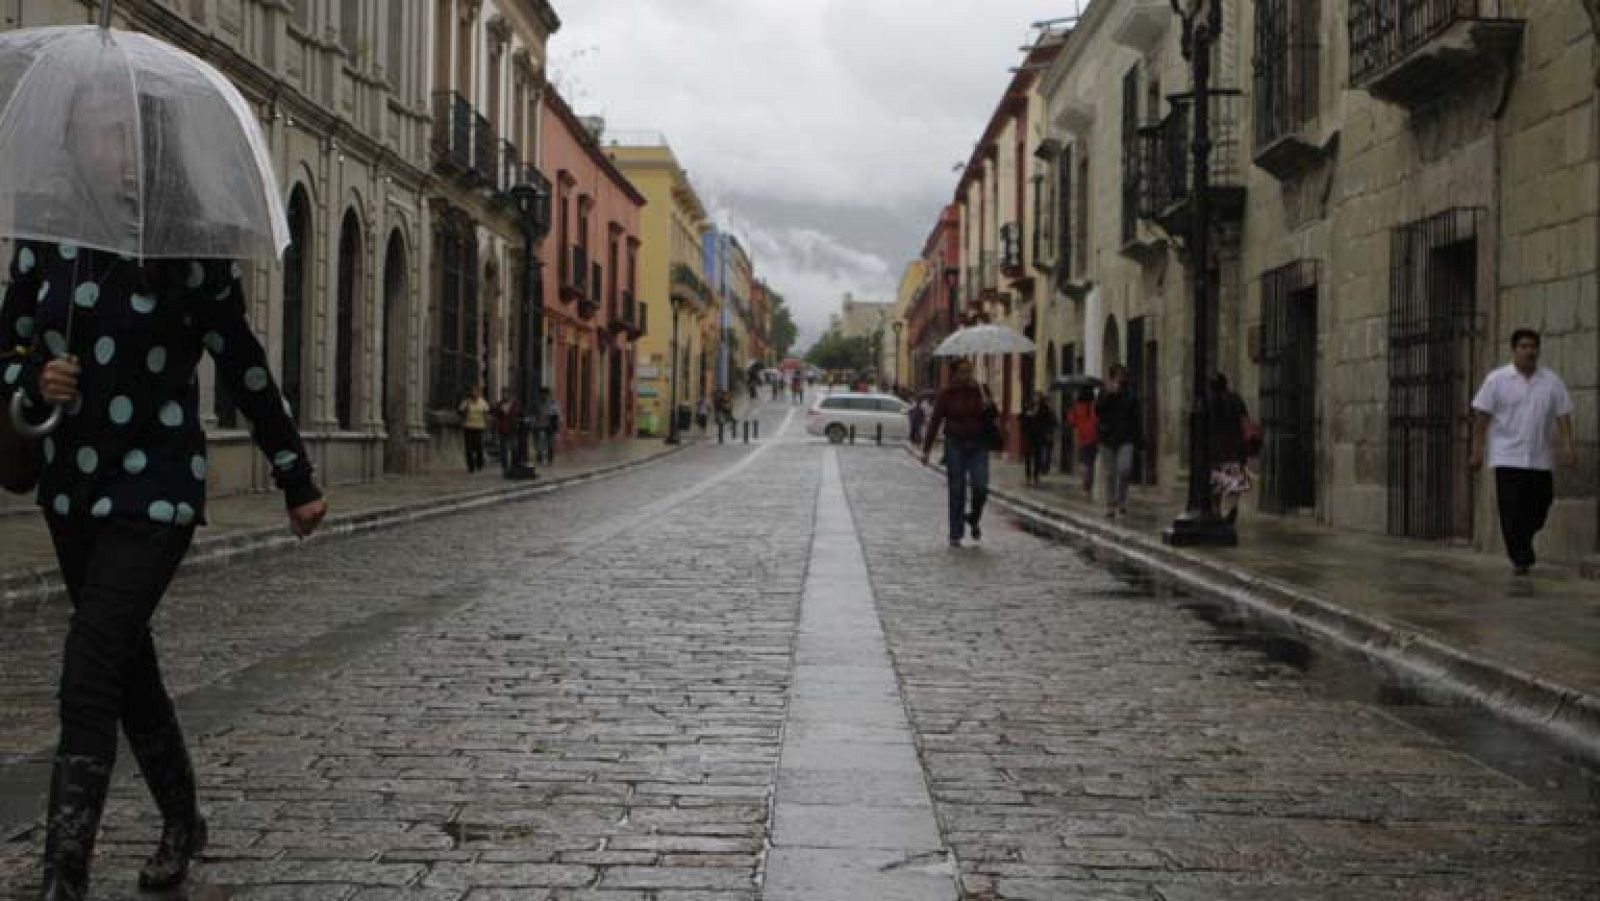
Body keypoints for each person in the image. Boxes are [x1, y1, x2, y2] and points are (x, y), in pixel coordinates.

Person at [1, 241, 328, 898]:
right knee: (126, 669)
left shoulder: (194, 255)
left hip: (157, 488)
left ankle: (62, 881)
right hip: (71, 493)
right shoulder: (47, 246)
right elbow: (6, 349)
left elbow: (244, 363)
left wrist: (295, 473)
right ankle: (183, 819)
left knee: (90, 669)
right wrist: (35, 377)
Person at [1470, 329, 1577, 574]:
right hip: (1507, 456)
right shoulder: (1496, 380)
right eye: (1524, 346)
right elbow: (1482, 416)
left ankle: (1524, 541)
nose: (1530, 351)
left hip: (1539, 457)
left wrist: (1568, 445)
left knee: (1542, 504)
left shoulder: (1551, 381)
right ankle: (1521, 557)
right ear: (1514, 350)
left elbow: (1562, 415)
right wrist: (1477, 450)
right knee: (1511, 511)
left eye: (1533, 347)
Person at [922, 360, 989, 548]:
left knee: (981, 486)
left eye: (969, 371)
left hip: (978, 444)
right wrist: (926, 449)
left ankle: (973, 518)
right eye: (963, 372)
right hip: (955, 444)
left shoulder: (980, 391)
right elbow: (935, 421)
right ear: (955, 374)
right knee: (957, 488)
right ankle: (955, 532)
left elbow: (992, 416)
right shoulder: (947, 394)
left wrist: (988, 402)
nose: (967, 375)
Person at [1095, 365, 1139, 519]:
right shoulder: (1104, 391)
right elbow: (1098, 410)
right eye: (1118, 375)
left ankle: (1122, 500)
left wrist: (1138, 438)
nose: (1121, 378)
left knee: (1125, 469)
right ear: (1112, 377)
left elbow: (1135, 414)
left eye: (1123, 375)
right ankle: (1110, 504)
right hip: (1107, 438)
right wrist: (1108, 394)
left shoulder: (1130, 393)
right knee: (1110, 473)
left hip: (1126, 437)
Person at [1207, 373, 1251, 523]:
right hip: (1234, 447)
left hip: (1216, 449)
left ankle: (1217, 511)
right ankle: (1231, 510)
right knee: (1233, 482)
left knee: (1216, 483)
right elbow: (1245, 422)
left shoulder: (1209, 401)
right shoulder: (1235, 399)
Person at [1021, 391, 1057, 485]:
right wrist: (1027, 415)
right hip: (1029, 435)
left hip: (1039, 435)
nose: (1035, 398)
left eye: (1037, 397)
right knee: (1028, 456)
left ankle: (1036, 476)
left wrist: (1048, 431)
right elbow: (1021, 419)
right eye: (1034, 397)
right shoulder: (1028, 407)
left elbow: (1052, 420)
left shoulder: (1045, 409)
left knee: (1037, 456)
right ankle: (1028, 476)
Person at [1067, 387, 1099, 495]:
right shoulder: (1094, 406)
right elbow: (1097, 419)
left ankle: (1085, 485)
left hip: (1081, 436)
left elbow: (1071, 420)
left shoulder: (1076, 406)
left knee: (1083, 461)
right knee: (1090, 462)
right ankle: (1089, 485)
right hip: (1094, 436)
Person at [458, 386, 489, 473]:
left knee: (479, 447)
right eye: (473, 392)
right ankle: (470, 466)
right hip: (468, 427)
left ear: (479, 393)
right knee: (469, 448)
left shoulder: (483, 402)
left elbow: (486, 412)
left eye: (476, 392)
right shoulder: (466, 402)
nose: (474, 394)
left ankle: (479, 464)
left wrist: (486, 424)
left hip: (479, 427)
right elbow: (460, 411)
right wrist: (463, 420)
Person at [493, 389, 522, 476]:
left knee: (514, 448)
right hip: (503, 429)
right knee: (503, 450)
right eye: (503, 394)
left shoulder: (515, 403)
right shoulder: (499, 404)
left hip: (513, 429)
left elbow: (518, 413)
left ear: (509, 395)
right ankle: (505, 468)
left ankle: (514, 467)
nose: (504, 395)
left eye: (506, 394)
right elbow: (496, 414)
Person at [541, 389, 562, 466]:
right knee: (542, 444)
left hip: (551, 428)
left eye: (546, 395)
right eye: (543, 394)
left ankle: (549, 459)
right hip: (542, 426)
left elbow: (558, 417)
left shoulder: (554, 404)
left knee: (550, 444)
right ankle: (543, 459)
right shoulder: (541, 403)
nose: (545, 396)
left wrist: (557, 429)